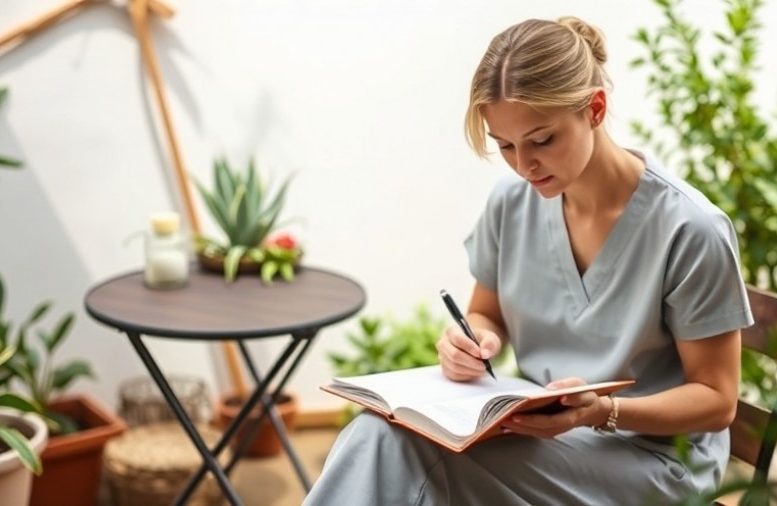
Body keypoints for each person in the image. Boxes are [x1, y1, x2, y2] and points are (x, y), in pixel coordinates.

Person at [303, 15, 752, 505]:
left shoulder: (691, 230)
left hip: (655, 461)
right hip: (545, 439)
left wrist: (599, 411)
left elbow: (716, 400)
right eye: (506, 146)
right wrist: (469, 340)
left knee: (416, 459)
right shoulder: (511, 204)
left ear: (595, 109)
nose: (524, 165)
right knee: (377, 435)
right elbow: (485, 315)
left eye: (542, 140)